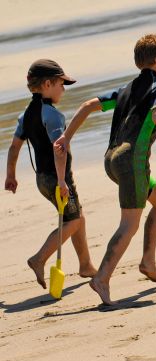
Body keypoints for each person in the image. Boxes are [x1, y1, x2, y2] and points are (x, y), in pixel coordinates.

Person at [55, 34, 156, 305]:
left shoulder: (127, 88)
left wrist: (67, 137)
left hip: (111, 159)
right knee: (129, 224)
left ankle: (148, 263)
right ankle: (102, 277)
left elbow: (88, 105)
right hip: (132, 161)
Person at [4, 59, 97, 289]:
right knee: (73, 220)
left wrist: (10, 175)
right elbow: (60, 150)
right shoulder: (53, 115)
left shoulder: (25, 115)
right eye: (61, 84)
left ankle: (85, 264)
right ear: (47, 84)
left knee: (76, 217)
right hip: (57, 178)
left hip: (41, 179)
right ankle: (39, 259)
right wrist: (63, 180)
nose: (63, 89)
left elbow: (14, 147)